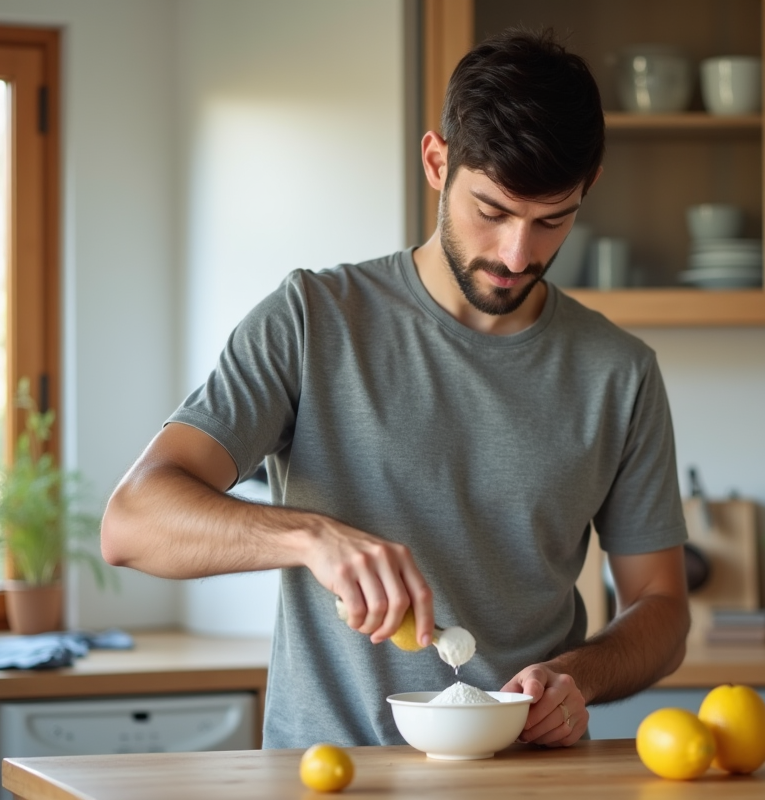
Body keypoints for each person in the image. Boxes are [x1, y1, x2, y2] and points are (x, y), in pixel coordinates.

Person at [101, 28, 690, 749]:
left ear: (587, 189)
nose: (517, 254)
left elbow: (662, 607)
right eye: (493, 211)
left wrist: (580, 675)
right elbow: (132, 521)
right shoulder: (312, 320)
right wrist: (311, 537)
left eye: (551, 221)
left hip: (529, 778)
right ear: (437, 162)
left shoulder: (618, 373)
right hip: (329, 776)